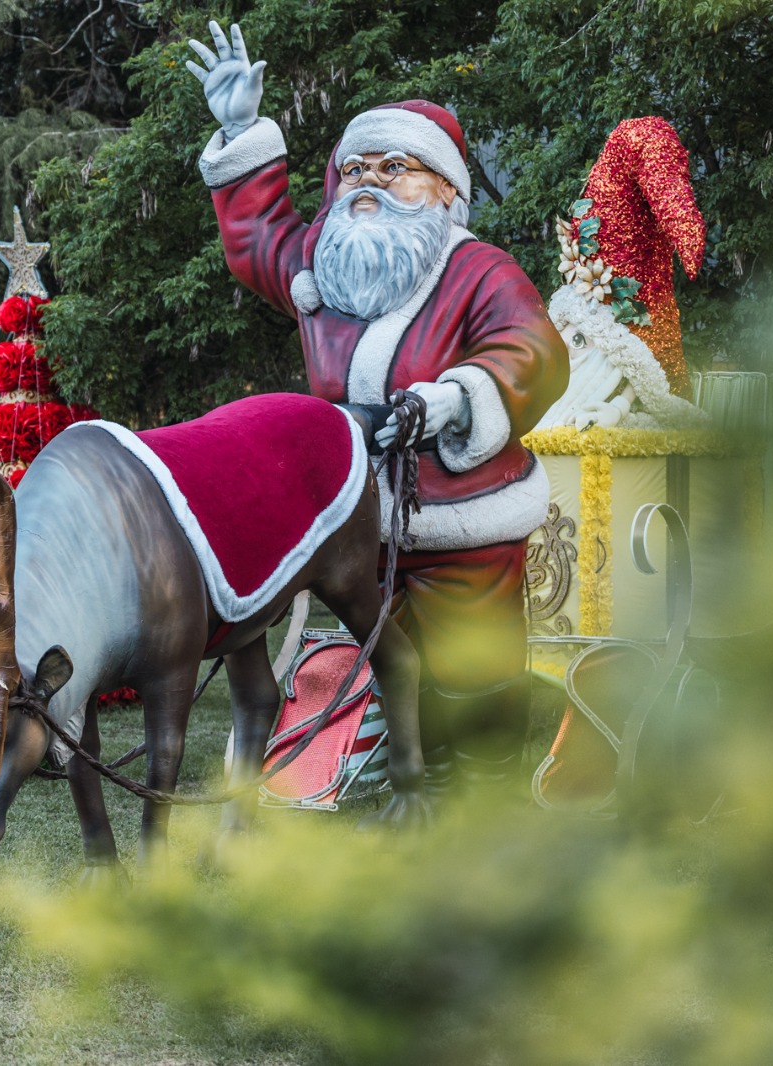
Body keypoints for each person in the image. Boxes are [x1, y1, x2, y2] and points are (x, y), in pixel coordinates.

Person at [186, 23, 569, 788]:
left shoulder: (479, 269)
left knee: (476, 667)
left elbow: (534, 352)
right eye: (355, 168)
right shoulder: (324, 267)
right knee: (389, 660)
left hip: (464, 517)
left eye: (396, 168)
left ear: (446, 189)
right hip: (363, 520)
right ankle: (408, 775)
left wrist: (450, 399)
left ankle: (484, 787)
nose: (369, 182)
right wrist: (240, 131)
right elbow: (258, 235)